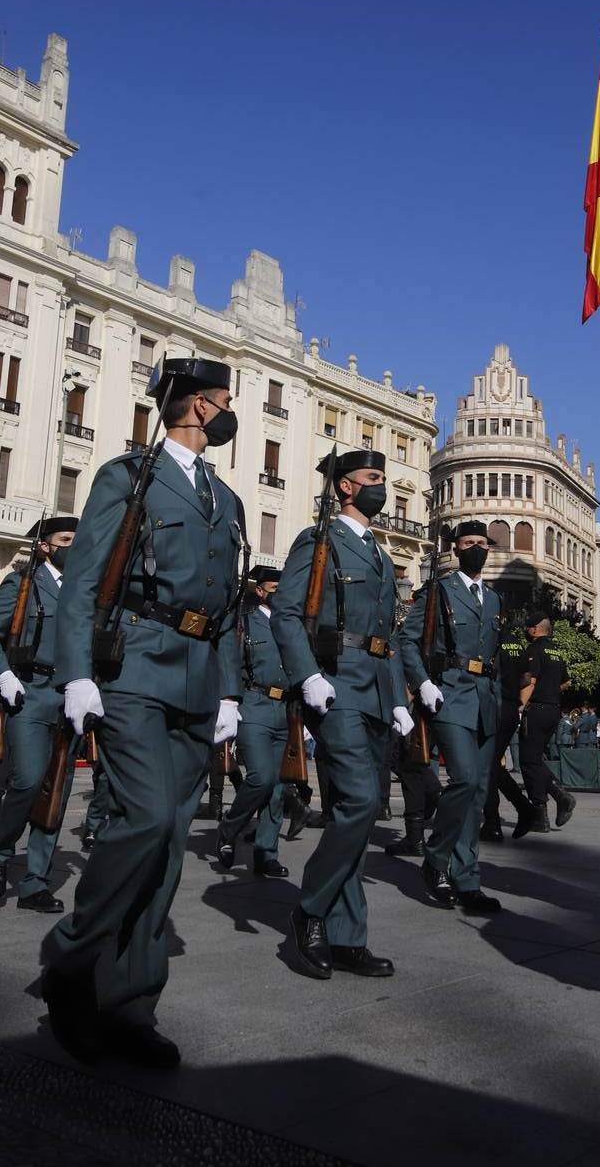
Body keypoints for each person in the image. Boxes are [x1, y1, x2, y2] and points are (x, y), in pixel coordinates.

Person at [40, 357, 244, 1068]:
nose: (228, 410)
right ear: (193, 404)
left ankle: (131, 1006)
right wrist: (76, 674)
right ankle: (69, 961)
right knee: (148, 819)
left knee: (166, 851)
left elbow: (227, 610)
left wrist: (226, 690)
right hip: (132, 665)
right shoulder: (128, 477)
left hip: (195, 678)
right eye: (223, 399)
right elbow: (86, 578)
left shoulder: (227, 498)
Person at [271, 449, 411, 980]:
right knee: (358, 800)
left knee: (362, 810)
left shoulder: (377, 551)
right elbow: (286, 612)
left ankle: (348, 934)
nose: (383, 487)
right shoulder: (319, 540)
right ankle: (309, 909)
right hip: (335, 681)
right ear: (347, 488)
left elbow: (389, 636)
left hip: (374, 687)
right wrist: (307, 675)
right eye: (374, 478)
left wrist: (397, 698)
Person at [0, 518, 79, 911]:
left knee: (57, 789)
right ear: (46, 547)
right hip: (30, 691)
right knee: (30, 780)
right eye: (66, 540)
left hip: (70, 695)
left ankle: (36, 881)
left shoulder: (85, 589)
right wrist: (3, 675)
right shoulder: (22, 584)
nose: (74, 546)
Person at [400, 521, 502, 914]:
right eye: (468, 543)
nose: (476, 548)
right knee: (463, 779)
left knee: (477, 794)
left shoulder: (494, 599)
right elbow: (407, 640)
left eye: (481, 543)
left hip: (485, 698)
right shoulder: (437, 591)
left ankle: (467, 879)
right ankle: (437, 856)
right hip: (450, 693)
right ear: (455, 550)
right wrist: (422, 682)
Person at [216, 565, 298, 878]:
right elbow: (231, 663)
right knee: (262, 777)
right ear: (260, 592)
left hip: (286, 709)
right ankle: (230, 826)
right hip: (254, 705)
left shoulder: (294, 625)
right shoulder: (245, 625)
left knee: (278, 787)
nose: (280, 595)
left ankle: (266, 853)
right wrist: (228, 702)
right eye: (273, 590)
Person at [480, 616, 540, 842]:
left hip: (492, 706)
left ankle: (497, 821)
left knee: (487, 765)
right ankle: (517, 811)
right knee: (492, 764)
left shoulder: (492, 644)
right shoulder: (519, 646)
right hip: (509, 708)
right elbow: (526, 679)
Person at [518, 614, 575, 833]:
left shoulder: (534, 650)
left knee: (528, 762)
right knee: (535, 761)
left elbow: (530, 681)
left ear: (534, 630)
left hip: (537, 710)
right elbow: (566, 682)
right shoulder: (556, 651)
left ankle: (553, 803)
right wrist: (550, 692)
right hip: (553, 709)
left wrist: (520, 706)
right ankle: (549, 807)